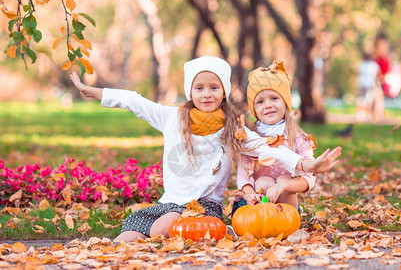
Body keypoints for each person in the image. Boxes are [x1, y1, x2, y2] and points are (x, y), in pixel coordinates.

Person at [70, 56, 341, 243]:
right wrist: (92, 91)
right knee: (125, 239)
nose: (207, 94)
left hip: (203, 209)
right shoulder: (172, 118)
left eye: (214, 87)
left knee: (164, 228)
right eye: (199, 88)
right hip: (167, 205)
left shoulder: (233, 127)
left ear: (223, 91)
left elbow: (267, 148)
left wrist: (307, 166)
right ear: (190, 91)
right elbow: (134, 101)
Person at [232, 60, 341, 214]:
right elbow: (243, 176)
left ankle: (284, 220)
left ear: (286, 102)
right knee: (264, 181)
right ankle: (265, 221)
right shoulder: (250, 137)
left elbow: (308, 178)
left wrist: (283, 186)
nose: (268, 105)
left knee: (284, 180)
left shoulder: (298, 137)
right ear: (254, 109)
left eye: (274, 98)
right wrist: (250, 194)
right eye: (260, 101)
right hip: (254, 204)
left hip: (285, 204)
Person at [356, 52, 380, 122]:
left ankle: (360, 115)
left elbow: (358, 74)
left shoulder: (361, 64)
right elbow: (377, 76)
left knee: (361, 100)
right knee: (369, 101)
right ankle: (367, 115)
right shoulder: (374, 65)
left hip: (362, 84)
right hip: (370, 85)